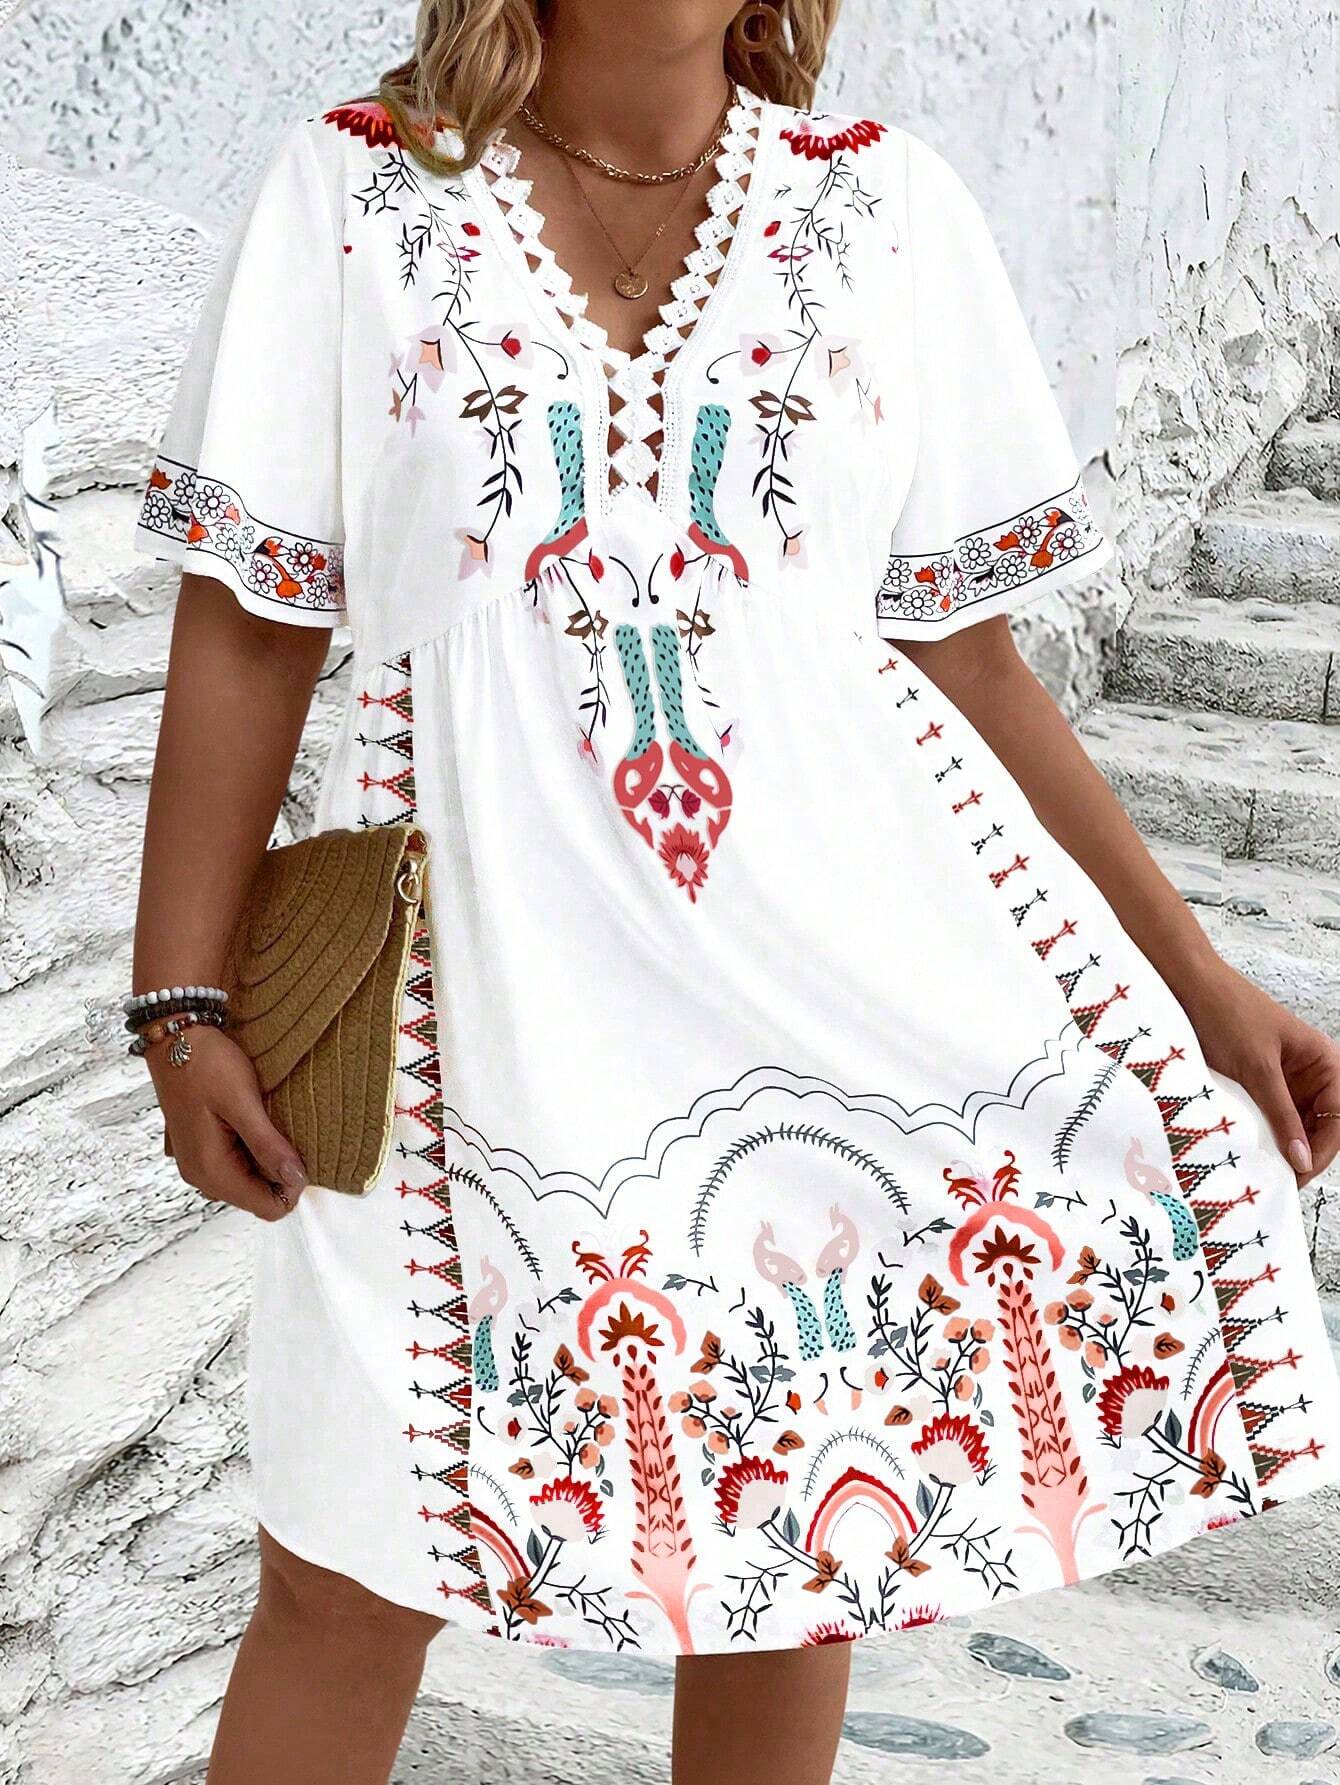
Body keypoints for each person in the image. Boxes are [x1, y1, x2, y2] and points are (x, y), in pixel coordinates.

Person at [129, 2, 1340, 1781]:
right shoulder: (356, 194)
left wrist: (1203, 985)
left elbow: (971, 663)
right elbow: (250, 623)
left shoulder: (883, 206)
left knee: (789, 1560)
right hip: (461, 1005)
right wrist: (180, 998)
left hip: (825, 979)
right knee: (344, 1560)